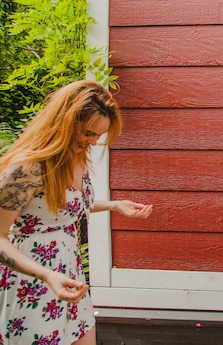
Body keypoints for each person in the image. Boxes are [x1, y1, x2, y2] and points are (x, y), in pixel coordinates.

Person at [0, 80, 153, 345]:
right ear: (64, 122)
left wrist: (114, 205)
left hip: (70, 278)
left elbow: (61, 208)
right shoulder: (26, 169)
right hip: (33, 285)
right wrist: (46, 275)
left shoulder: (76, 156)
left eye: (99, 136)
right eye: (88, 133)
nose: (93, 142)